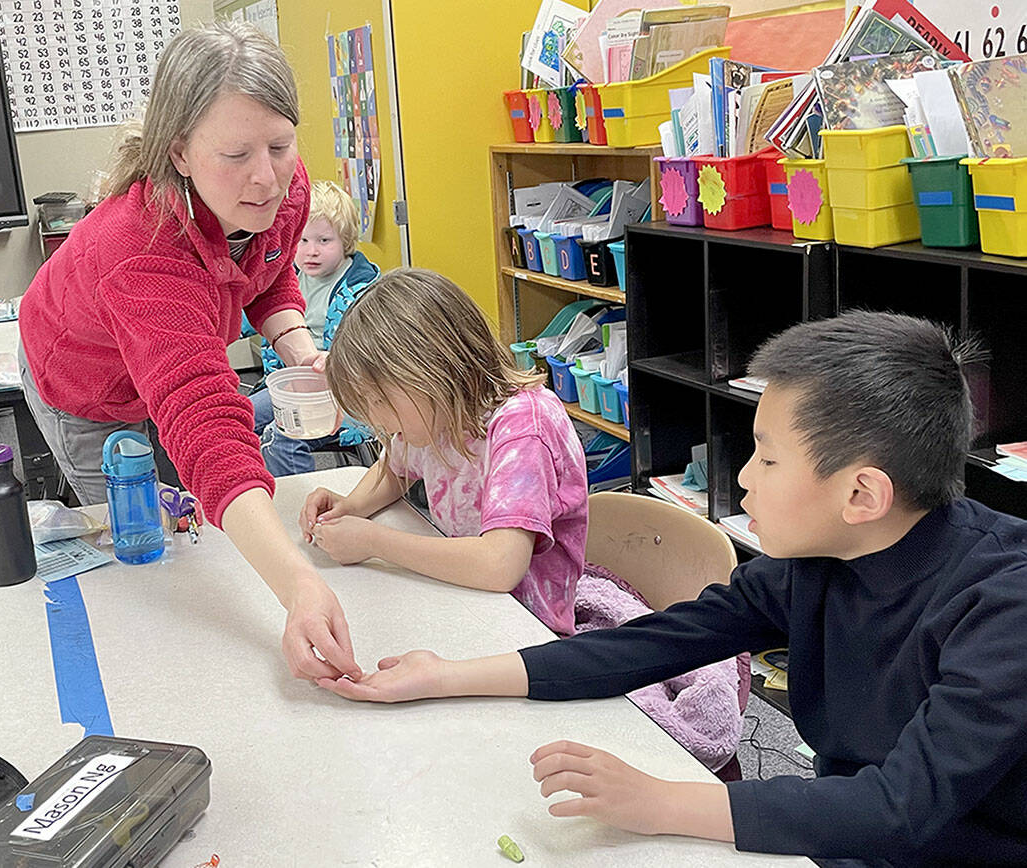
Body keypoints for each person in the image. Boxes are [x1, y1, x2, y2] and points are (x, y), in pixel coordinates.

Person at [317, 311, 1027, 867]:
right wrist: (447, 676)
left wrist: (663, 800)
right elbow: (653, 644)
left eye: (768, 459)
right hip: (842, 833)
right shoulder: (822, 558)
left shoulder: (1003, 606)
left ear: (863, 492)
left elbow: (896, 809)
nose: (743, 477)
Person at [17, 21, 359, 681]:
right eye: (235, 155)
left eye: (281, 144)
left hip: (169, 358)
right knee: (140, 540)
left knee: (200, 521)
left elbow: (269, 267)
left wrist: (296, 345)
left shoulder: (279, 185)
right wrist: (300, 588)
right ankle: (161, 681)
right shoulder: (141, 247)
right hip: (85, 381)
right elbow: (205, 419)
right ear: (178, 152)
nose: (265, 177)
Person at [300, 268, 587, 636]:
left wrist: (373, 541)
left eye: (380, 400)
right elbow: (395, 468)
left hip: (529, 629)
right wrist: (351, 507)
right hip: (469, 602)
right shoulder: (438, 413)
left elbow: (500, 565)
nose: (376, 419)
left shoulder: (522, 427)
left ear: (435, 372)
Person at [249, 179, 378, 476]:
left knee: (283, 436)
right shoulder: (287, 278)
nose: (311, 251)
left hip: (345, 395)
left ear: (346, 241)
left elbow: (368, 359)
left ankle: (302, 503)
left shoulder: (364, 290)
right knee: (240, 416)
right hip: (292, 387)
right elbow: (253, 316)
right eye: (302, 241)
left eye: (324, 241)